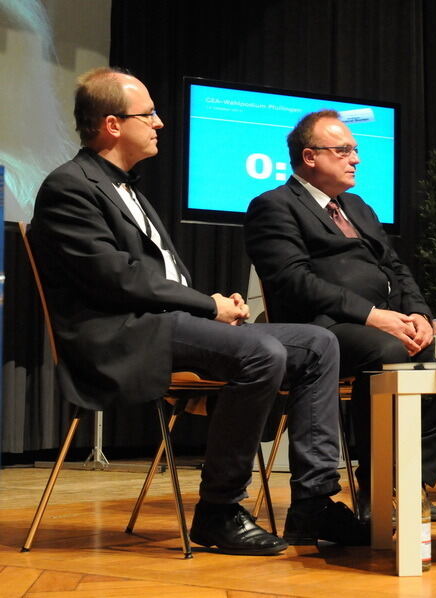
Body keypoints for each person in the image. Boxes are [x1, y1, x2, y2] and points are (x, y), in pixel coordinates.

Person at [29, 67, 368, 554]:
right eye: (147, 114)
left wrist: (211, 307)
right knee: (263, 353)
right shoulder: (70, 187)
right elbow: (119, 278)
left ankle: (312, 502)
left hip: (166, 321)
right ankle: (218, 510)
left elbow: (158, 277)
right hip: (122, 333)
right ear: (112, 124)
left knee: (319, 343)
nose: (160, 122)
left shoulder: (129, 188)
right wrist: (205, 304)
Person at [243, 110, 436, 521]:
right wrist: (373, 315)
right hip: (322, 328)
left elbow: (396, 268)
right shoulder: (274, 205)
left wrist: (419, 314)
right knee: (389, 350)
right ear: (309, 156)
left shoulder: (357, 206)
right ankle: (377, 482)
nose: (355, 159)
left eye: (355, 150)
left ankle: (404, 476)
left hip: (390, 322)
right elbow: (293, 282)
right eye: (343, 150)